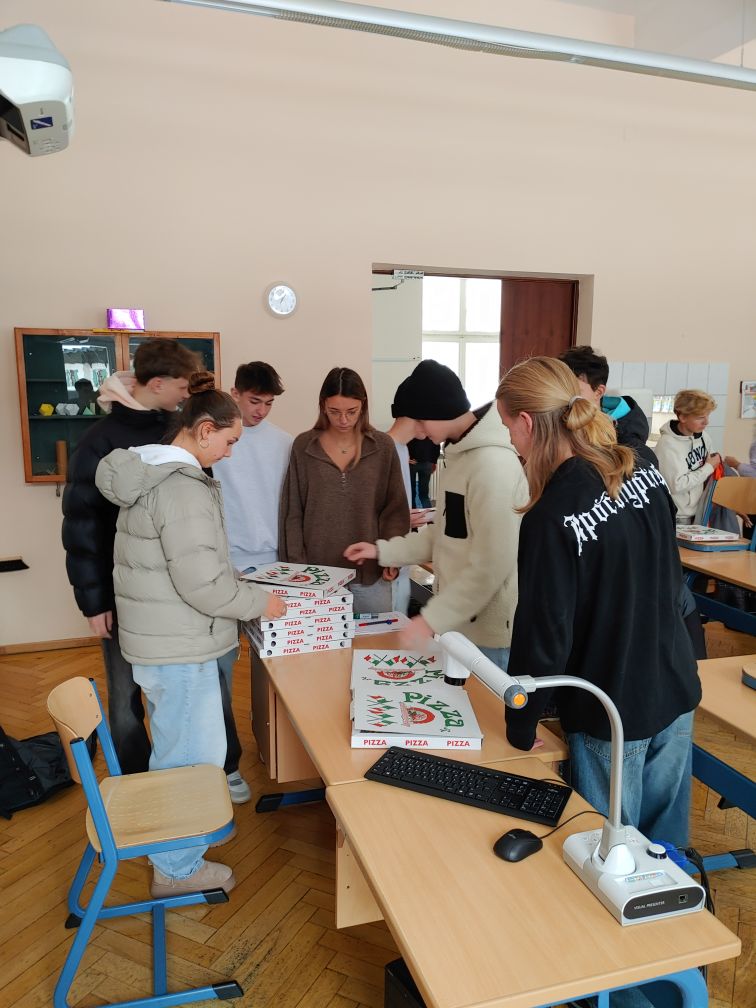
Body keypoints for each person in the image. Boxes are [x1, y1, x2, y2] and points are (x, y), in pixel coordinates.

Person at [496, 357, 700, 854]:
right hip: (674, 685)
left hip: (611, 708)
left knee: (612, 860)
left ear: (527, 423)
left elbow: (544, 633)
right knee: (665, 853)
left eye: (508, 428)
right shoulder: (642, 466)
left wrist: (521, 722)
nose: (511, 442)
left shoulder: (551, 514)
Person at [95, 372, 286, 898]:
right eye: (229, 441)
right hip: (180, 645)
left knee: (178, 748)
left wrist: (232, 581)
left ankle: (180, 847)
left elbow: (187, 565)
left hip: (165, 640)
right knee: (189, 759)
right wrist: (261, 602)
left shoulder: (152, 473)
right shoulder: (181, 488)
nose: (230, 452)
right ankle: (175, 869)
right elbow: (202, 585)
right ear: (204, 431)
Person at [62, 339, 200, 774]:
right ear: (157, 383)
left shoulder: (179, 431)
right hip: (120, 594)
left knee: (180, 693)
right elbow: (81, 528)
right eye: (182, 386)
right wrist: (94, 602)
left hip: (177, 592)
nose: (186, 395)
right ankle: (134, 781)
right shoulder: (98, 440)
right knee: (124, 695)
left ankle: (185, 776)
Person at [345, 360, 527, 669]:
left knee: (485, 703)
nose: (418, 433)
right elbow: (442, 533)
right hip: (459, 626)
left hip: (488, 636)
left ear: (438, 410)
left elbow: (491, 566)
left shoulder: (492, 466)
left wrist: (430, 620)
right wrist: (382, 551)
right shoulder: (460, 456)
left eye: (419, 422)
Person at [212, 361, 293, 803]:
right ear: (235, 393)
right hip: (224, 567)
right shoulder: (216, 438)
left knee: (275, 668)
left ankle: (277, 749)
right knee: (220, 670)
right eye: (253, 401)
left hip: (274, 565)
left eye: (268, 403)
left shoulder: (284, 442)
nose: (260, 411)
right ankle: (226, 765)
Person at [279, 366, 410, 614]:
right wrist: (297, 568)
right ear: (322, 406)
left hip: (370, 575)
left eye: (352, 411)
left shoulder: (383, 447)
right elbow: (293, 512)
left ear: (363, 406)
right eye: (334, 412)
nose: (343, 420)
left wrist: (392, 557)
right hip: (316, 578)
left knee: (376, 638)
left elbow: (395, 509)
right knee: (322, 641)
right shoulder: (303, 446)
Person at [558, 345, 656, 465]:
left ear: (599, 392)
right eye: (561, 389)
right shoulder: (560, 420)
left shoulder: (631, 447)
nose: (564, 396)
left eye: (574, 390)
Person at [656, 389, 721, 524]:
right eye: (700, 417)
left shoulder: (704, 437)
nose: (706, 422)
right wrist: (709, 467)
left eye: (707, 416)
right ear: (683, 417)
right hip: (677, 517)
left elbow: (713, 467)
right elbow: (677, 486)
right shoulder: (667, 445)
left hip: (699, 512)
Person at [407, 435, 440, 508]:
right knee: (423, 494)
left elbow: (404, 443)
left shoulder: (412, 431)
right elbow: (437, 446)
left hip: (413, 463)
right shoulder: (431, 432)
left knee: (412, 493)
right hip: (425, 464)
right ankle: (428, 514)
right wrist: (433, 462)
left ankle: (414, 513)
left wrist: (406, 457)